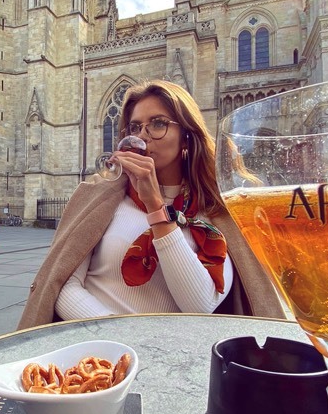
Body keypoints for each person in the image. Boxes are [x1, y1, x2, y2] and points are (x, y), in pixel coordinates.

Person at [18, 80, 286, 329]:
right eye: (135, 127)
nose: (142, 137)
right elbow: (62, 282)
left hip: (170, 358)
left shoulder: (216, 210)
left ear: (186, 136)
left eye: (158, 124)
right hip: (94, 348)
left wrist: (155, 205)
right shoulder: (100, 195)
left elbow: (201, 304)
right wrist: (122, 334)